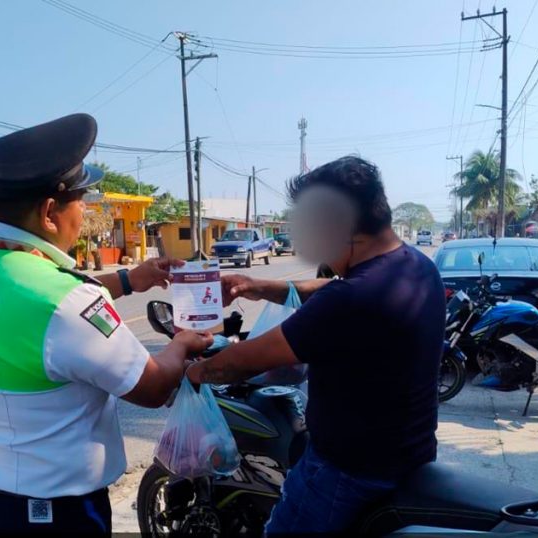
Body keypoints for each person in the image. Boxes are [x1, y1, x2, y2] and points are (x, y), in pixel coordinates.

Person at [0, 113, 212, 535]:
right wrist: (181, 344)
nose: (83, 214)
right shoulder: (66, 303)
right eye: (81, 202)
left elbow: (35, 304)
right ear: (48, 212)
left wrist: (131, 279)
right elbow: (153, 388)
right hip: (53, 516)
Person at [186, 156, 445, 534]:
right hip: (409, 456)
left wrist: (190, 372)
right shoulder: (415, 266)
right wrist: (261, 287)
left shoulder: (351, 300)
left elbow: (244, 361)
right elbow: (331, 289)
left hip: (346, 473)